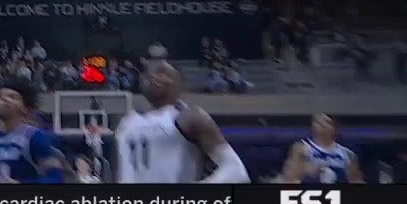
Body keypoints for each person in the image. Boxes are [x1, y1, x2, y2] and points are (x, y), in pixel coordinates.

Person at [114, 60, 249, 183]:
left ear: (180, 83)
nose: (153, 76)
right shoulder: (126, 123)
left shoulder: (189, 117)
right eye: (148, 73)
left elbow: (236, 171)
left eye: (162, 72)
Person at [0, 78, 65, 183]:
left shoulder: (34, 137)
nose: (5, 99)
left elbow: (56, 179)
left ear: (25, 108)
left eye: (13, 97)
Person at [281, 113, 363, 184]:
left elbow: (355, 181)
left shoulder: (347, 154)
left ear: (334, 128)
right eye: (318, 122)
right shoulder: (301, 149)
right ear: (312, 125)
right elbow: (290, 179)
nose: (322, 125)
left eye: (326, 122)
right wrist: (308, 172)